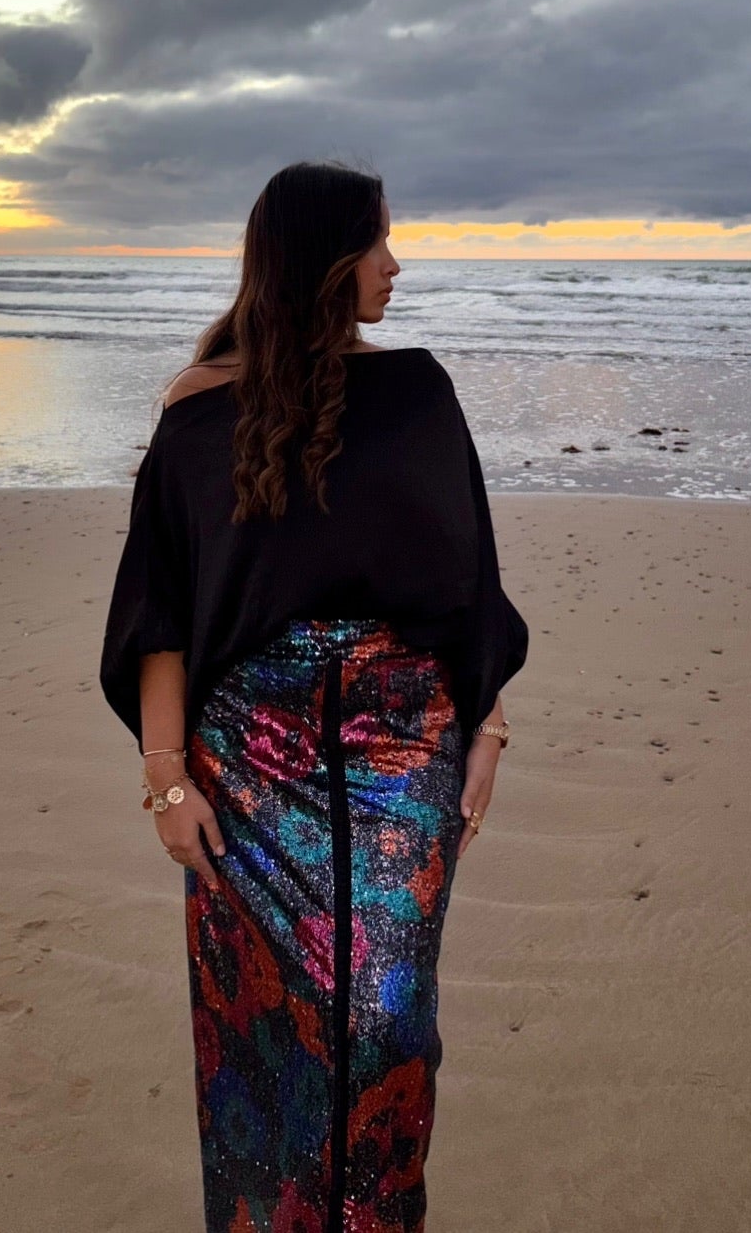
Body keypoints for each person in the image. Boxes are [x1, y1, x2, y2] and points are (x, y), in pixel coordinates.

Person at [100, 159, 529, 1233]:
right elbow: (161, 611)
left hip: (406, 748)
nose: (395, 264)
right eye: (377, 241)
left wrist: (488, 727)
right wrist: (165, 780)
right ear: (324, 260)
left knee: (391, 1027)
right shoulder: (201, 412)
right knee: (261, 1032)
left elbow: (469, 580)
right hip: (246, 762)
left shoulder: (419, 394)